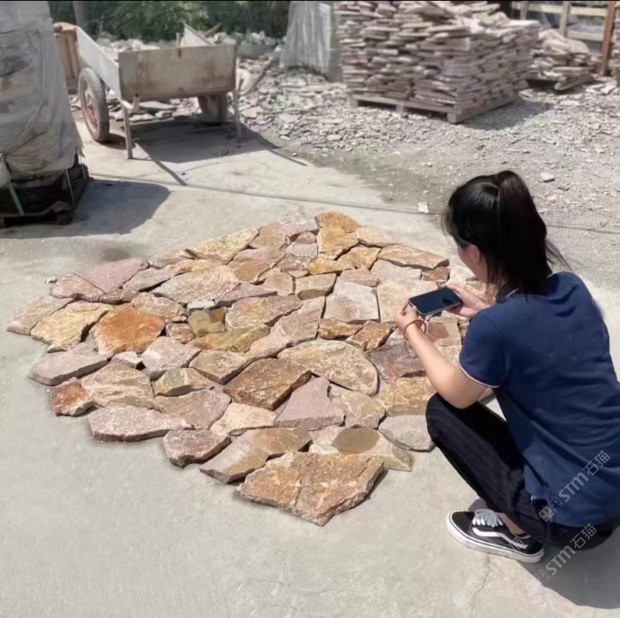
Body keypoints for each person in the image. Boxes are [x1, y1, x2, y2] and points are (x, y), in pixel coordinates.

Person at [395, 170, 620, 564]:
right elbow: (537, 332)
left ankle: (517, 533)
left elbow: (456, 394)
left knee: (442, 412)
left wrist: (413, 331)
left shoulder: (496, 328)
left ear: (474, 253)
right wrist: (488, 311)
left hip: (569, 523)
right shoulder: (573, 287)